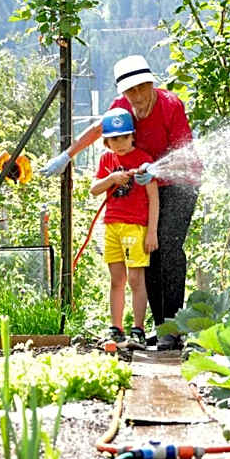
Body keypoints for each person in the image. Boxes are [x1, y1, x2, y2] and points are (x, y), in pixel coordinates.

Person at [40, 55, 201, 350]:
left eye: (142, 88)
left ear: (151, 83)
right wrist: (67, 155)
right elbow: (99, 129)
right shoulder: (122, 106)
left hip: (180, 183)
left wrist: (155, 170)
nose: (137, 96)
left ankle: (173, 327)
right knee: (148, 253)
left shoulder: (170, 105)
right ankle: (161, 328)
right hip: (147, 186)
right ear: (123, 92)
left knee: (167, 247)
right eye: (130, 91)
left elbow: (185, 152)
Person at [89, 108, 158, 350]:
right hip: (111, 226)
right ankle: (116, 329)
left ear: (132, 136)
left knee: (136, 280)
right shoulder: (106, 160)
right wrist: (111, 179)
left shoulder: (144, 160)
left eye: (124, 137)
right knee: (116, 279)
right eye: (113, 139)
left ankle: (138, 329)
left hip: (135, 227)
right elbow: (94, 189)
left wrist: (152, 232)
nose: (119, 143)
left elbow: (154, 197)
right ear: (106, 141)